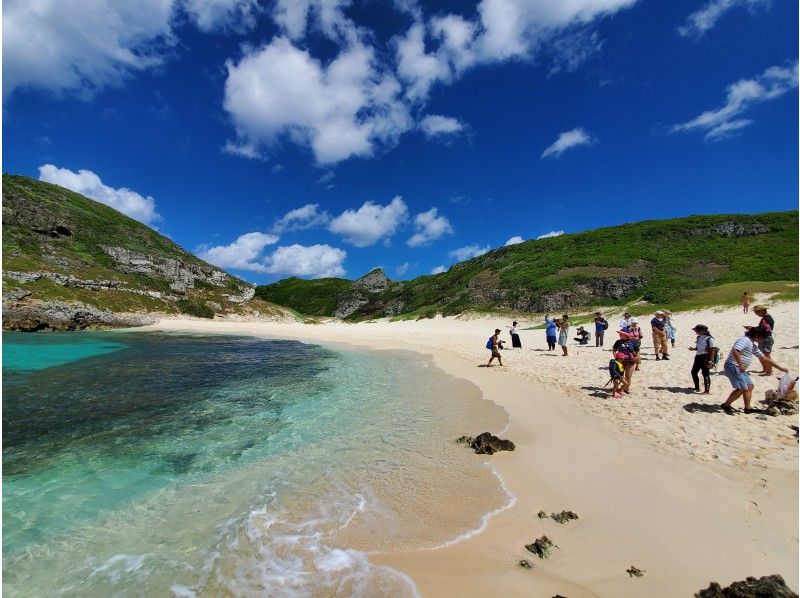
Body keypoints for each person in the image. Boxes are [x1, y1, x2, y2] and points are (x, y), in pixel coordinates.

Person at [720, 326, 787, 414]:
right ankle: (726, 405)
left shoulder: (752, 344)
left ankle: (747, 408)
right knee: (741, 388)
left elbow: (764, 358)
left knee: (749, 386)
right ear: (757, 335)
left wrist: (780, 368)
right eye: (762, 337)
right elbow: (735, 351)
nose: (762, 339)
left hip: (740, 368)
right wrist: (740, 365)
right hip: (734, 365)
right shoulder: (745, 340)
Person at [689, 324, 716, 394]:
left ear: (701, 331)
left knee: (705, 374)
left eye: (696, 330)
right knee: (693, 372)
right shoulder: (699, 338)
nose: (695, 331)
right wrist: (693, 349)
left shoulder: (710, 338)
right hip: (698, 356)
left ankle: (707, 390)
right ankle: (697, 387)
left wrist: (711, 360)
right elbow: (699, 348)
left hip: (705, 357)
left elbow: (713, 349)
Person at [750, 305, 775, 376]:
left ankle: (769, 371)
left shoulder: (767, 318)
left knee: (767, 355)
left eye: (756, 312)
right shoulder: (765, 318)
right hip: (764, 338)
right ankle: (765, 369)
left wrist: (752, 329)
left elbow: (767, 330)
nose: (755, 314)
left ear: (761, 311)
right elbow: (762, 328)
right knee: (763, 355)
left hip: (766, 338)